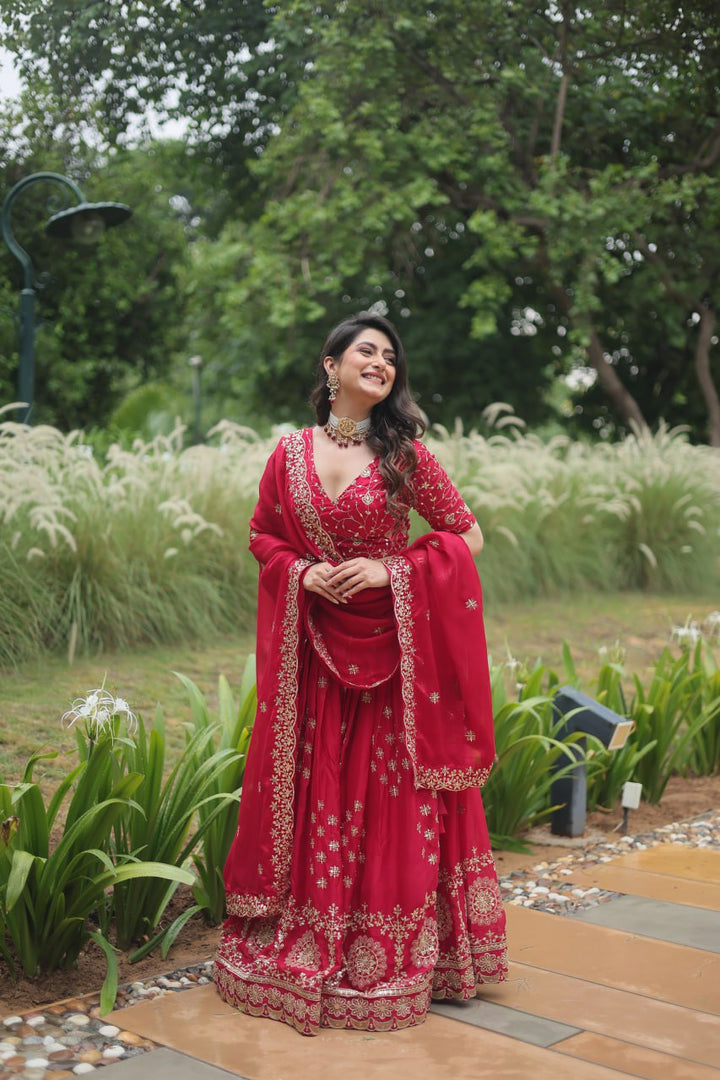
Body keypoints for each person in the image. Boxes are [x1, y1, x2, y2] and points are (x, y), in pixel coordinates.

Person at [214, 312, 507, 1035]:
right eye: (366, 352)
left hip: (393, 659)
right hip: (313, 655)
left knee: (387, 798)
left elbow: (465, 532)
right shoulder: (287, 455)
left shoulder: (405, 454)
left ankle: (400, 950)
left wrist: (391, 568)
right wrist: (303, 573)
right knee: (317, 788)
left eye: (389, 357)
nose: (380, 363)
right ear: (331, 365)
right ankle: (308, 935)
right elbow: (262, 535)